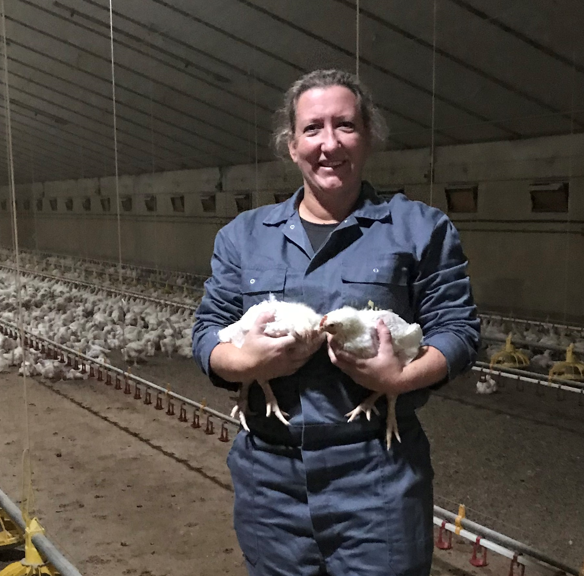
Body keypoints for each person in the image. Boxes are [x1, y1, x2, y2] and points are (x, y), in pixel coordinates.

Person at [192, 69, 480, 576]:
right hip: (270, 481)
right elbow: (206, 333)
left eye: (345, 126)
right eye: (313, 129)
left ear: (368, 136)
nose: (330, 144)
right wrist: (243, 362)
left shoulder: (419, 228)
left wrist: (400, 379)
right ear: (291, 145)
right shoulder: (243, 236)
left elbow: (458, 330)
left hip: (379, 476)